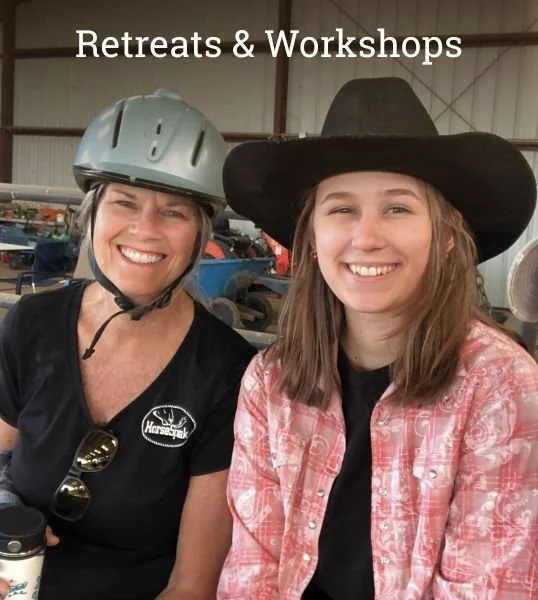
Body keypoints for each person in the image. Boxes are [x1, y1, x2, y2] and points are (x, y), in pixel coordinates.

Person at [217, 78, 538, 599]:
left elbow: (490, 588)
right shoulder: (270, 383)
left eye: (397, 208)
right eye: (342, 209)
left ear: (447, 233)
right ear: (312, 239)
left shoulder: (500, 387)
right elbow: (253, 571)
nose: (366, 238)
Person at [0, 89, 256, 600]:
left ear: (200, 233)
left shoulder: (227, 371)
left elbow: (191, 585)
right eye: (124, 202)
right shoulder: (32, 324)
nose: (144, 230)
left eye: (174, 212)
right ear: (92, 214)